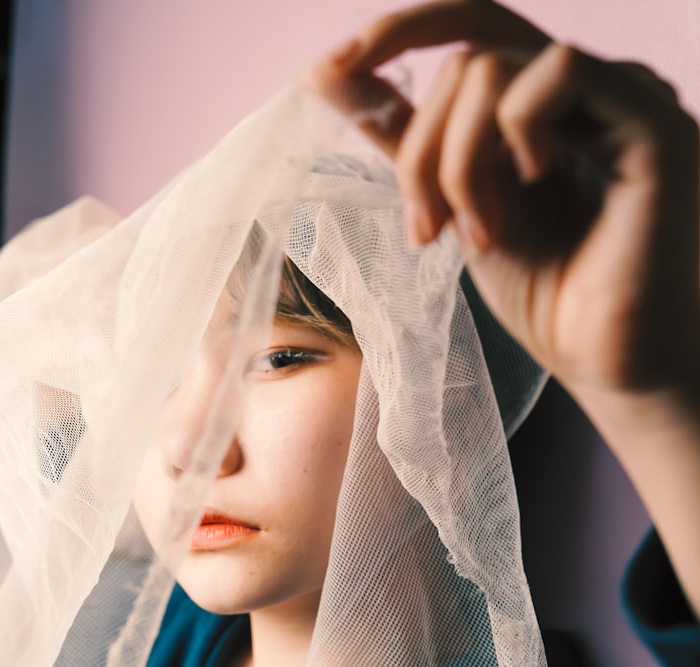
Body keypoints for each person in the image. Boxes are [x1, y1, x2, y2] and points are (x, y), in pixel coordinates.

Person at [129, 1, 700, 666]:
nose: (187, 451)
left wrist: (652, 396)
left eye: (280, 358)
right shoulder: (138, 639)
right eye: (149, 381)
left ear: (440, 394)